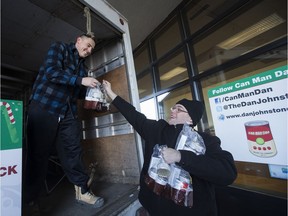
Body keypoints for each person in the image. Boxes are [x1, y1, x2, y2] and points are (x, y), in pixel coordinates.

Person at [102, 80, 237, 216]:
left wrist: (181, 157)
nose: (173, 110)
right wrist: (111, 93)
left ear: (191, 119)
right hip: (153, 208)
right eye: (173, 108)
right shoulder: (158, 129)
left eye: (179, 109)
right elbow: (134, 115)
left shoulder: (205, 140)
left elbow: (227, 173)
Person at [24, 34, 104, 209]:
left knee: (73, 152)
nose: (89, 50)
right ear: (78, 40)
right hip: (44, 106)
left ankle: (82, 192)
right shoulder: (59, 48)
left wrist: (95, 98)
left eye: (92, 48)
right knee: (38, 155)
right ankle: (30, 200)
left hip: (67, 112)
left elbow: (77, 92)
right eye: (88, 45)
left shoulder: (82, 68)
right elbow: (51, 72)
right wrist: (81, 80)